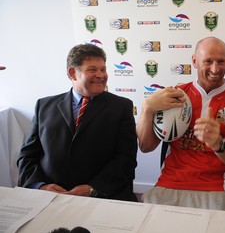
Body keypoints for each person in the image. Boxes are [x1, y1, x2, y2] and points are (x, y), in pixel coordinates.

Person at [136, 36, 225, 211]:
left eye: (221, 62)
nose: (215, 69)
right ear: (194, 61)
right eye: (208, 61)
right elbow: (146, 147)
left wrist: (219, 144)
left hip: (216, 188)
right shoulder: (174, 95)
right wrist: (147, 108)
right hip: (169, 183)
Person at [17, 44, 138, 202]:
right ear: (73, 73)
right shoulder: (44, 106)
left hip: (102, 197)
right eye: (92, 70)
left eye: (103, 69)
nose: (100, 75)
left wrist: (92, 188)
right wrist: (40, 186)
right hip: (50, 198)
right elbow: (27, 155)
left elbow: (126, 159)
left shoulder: (121, 107)